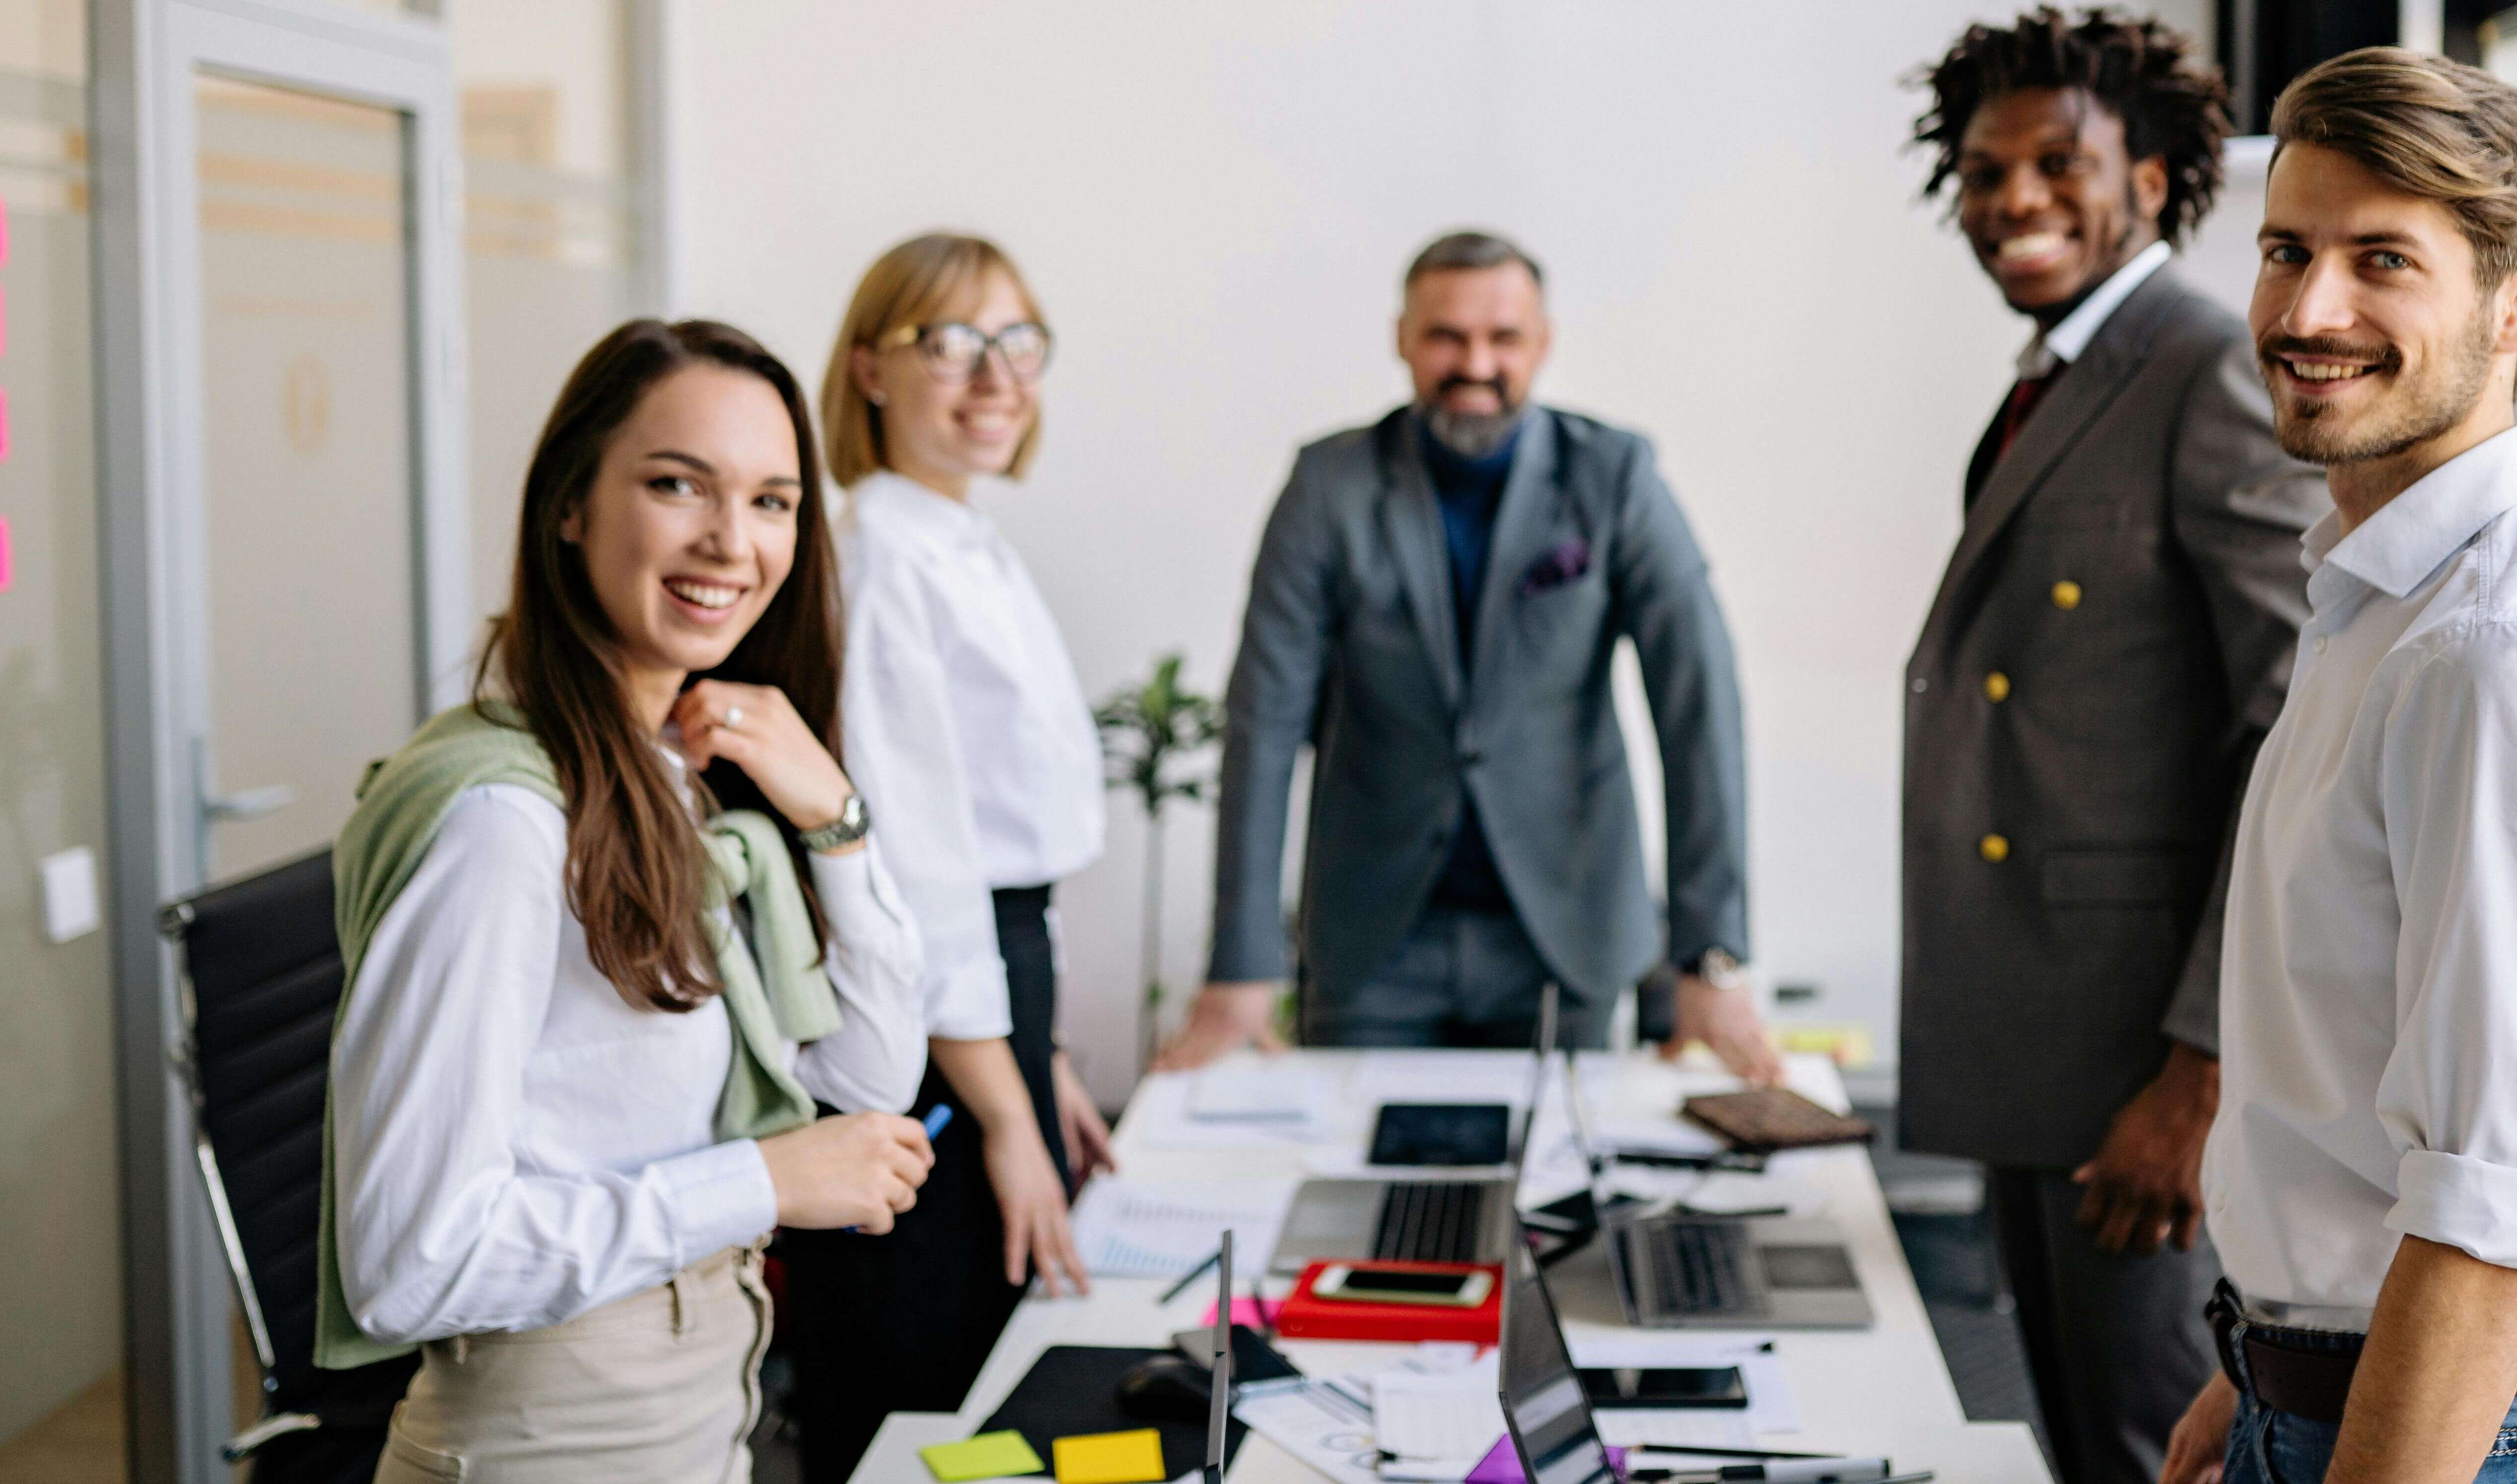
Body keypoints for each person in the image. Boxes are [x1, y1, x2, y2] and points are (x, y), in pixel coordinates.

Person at [2157, 49, 2517, 1484]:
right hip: (2330, 1391)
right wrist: (2262, 1362)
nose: (2307, 310)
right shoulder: (2376, 597)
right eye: (2286, 251)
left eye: (2382, 259)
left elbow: (2489, 1204)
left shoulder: (2492, 653)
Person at [323, 318, 936, 1481]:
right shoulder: (505, 823)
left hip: (699, 1399)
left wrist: (835, 822)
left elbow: (864, 1083)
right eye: (676, 485)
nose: (730, 540)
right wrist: (761, 1179)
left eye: (771, 501)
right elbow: (409, 1261)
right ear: (570, 505)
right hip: (555, 1430)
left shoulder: (672, 773)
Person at [1895, 12, 2327, 1481]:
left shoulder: (2199, 368)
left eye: (2054, 163)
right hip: (2042, 1035)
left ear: (2148, 179)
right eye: (1982, 169)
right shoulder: (2067, 372)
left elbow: (2289, 732)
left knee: (2151, 1451)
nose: (2011, 198)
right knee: (2078, 1442)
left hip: (2139, 1063)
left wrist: (2199, 1073)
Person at [1155, 231, 1780, 1079]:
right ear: (1402, 339)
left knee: (1555, 1202)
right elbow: (1264, 724)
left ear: (1543, 342)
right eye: (1446, 336)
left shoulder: (1616, 477)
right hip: (1373, 943)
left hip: (1567, 935)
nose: (1474, 363)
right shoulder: (1326, 486)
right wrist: (1241, 964)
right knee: (1364, 1200)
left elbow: (1697, 705)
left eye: (1503, 338)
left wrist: (1708, 955)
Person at [777, 233, 1111, 1484]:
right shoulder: (880, 560)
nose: (995, 374)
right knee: (927, 1407)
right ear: (867, 367)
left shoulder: (969, 542)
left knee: (995, 1390)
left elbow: (1008, 850)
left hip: (996, 998)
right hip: (919, 1025)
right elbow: (918, 883)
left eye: (1017, 341)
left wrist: (1049, 1055)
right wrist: (1007, 1113)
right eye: (951, 343)